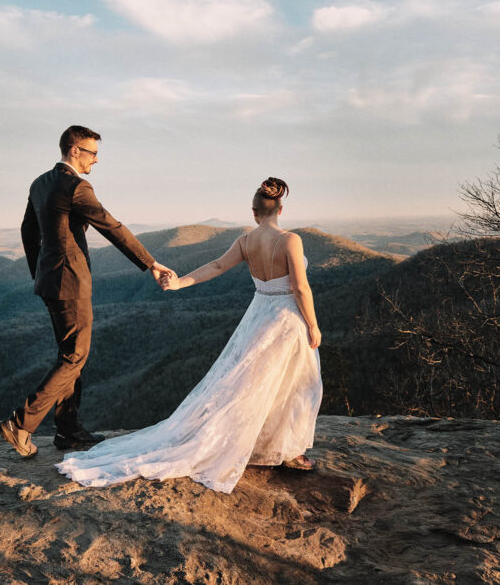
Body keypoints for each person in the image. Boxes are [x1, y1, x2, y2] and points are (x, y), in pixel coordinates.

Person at [55, 177, 323, 493]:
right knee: (293, 383)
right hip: (286, 318)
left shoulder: (245, 241)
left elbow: (216, 266)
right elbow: (299, 288)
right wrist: (314, 324)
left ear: (253, 212)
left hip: (257, 316)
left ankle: (262, 446)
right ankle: (288, 451)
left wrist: (181, 282)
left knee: (252, 383)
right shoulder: (290, 240)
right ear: (281, 209)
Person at [0, 125, 175, 458]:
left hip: (50, 282)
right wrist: (151, 263)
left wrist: (40, 271)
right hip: (70, 282)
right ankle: (20, 424)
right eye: (93, 153)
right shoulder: (76, 187)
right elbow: (112, 227)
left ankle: (68, 429)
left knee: (69, 355)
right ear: (74, 150)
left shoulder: (40, 183)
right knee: (75, 355)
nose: (96, 160)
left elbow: (27, 231)